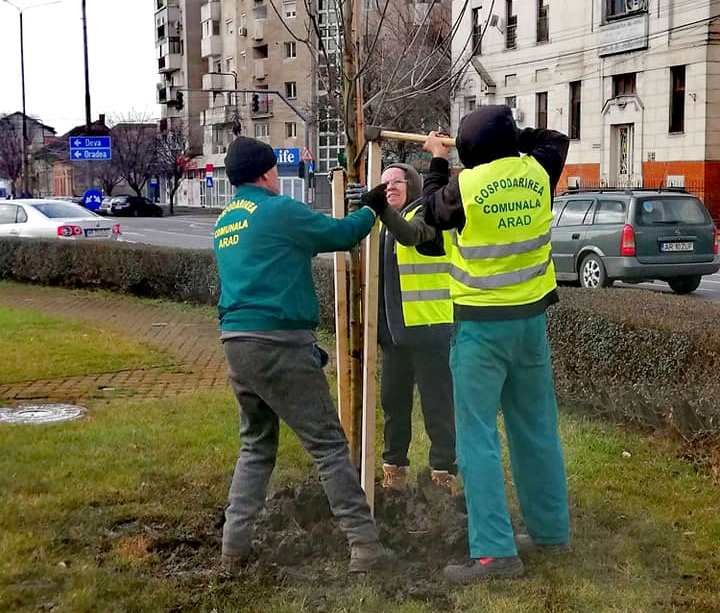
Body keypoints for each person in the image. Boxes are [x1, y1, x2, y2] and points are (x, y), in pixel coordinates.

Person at [386, 106, 571, 583]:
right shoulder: (538, 168)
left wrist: (438, 158)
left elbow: (427, 213)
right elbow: (552, 137)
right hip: (531, 324)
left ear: (470, 151)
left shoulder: (463, 190)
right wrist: (508, 141)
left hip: (481, 331)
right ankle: (550, 532)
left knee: (478, 438)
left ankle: (494, 553)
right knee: (536, 428)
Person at [214, 136, 392, 574]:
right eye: (275, 169)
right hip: (278, 341)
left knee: (255, 446)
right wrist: (371, 208)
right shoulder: (278, 210)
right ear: (266, 173)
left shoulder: (225, 220)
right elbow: (342, 233)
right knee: (328, 445)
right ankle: (365, 546)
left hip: (236, 344)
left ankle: (234, 546)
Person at [350, 164, 457, 493]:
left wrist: (377, 207)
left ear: (412, 185)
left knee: (436, 406)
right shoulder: (383, 226)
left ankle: (443, 473)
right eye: (383, 184)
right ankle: (394, 470)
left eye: (397, 182)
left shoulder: (426, 215)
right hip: (394, 334)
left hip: (428, 328)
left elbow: (409, 236)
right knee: (394, 405)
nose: (390, 188)